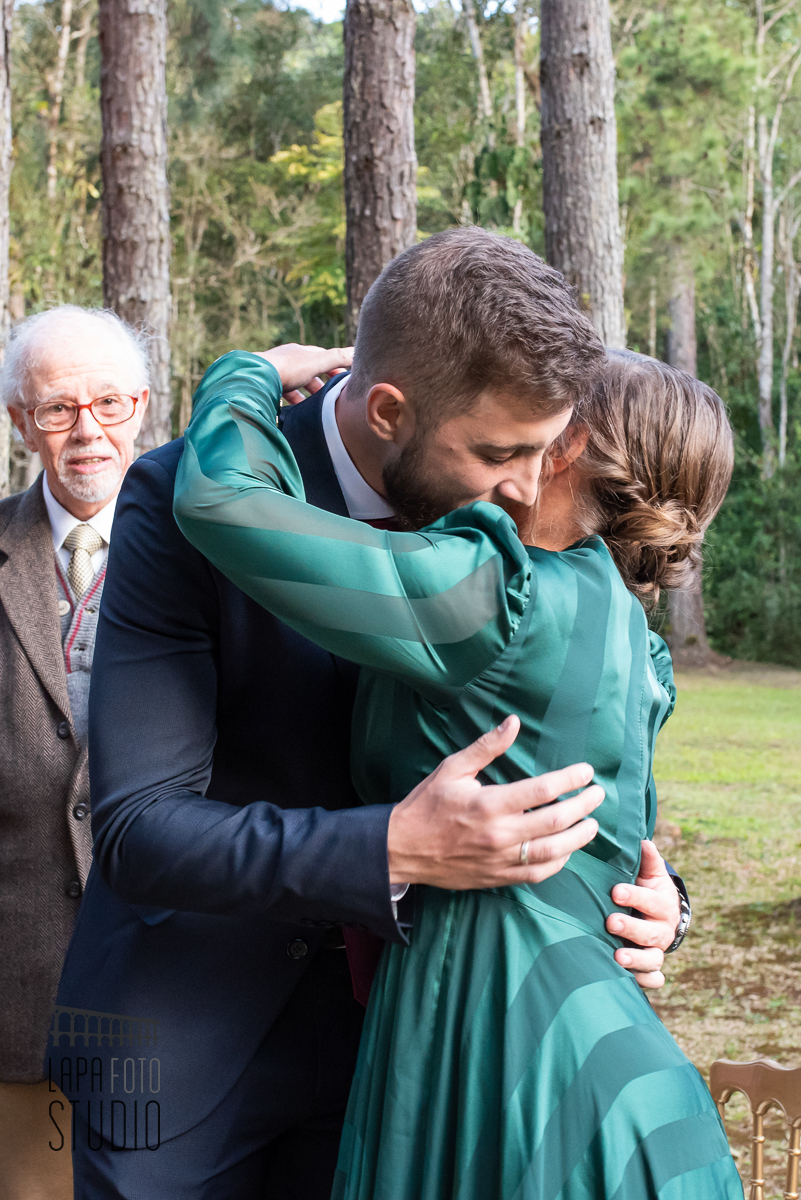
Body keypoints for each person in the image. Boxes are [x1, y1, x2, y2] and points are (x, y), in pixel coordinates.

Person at [55, 231, 681, 1199]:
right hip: (177, 1045)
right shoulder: (177, 495)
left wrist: (659, 899)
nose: (527, 487)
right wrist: (392, 848)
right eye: (500, 453)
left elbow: (583, 743)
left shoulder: (515, 524)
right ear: (389, 411)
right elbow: (139, 829)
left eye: (545, 449)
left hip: (417, 1066)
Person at [0, 306, 150, 1200]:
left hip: (169, 993)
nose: (87, 430)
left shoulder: (209, 553)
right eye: (58, 409)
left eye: (107, 403)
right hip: (15, 997)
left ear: (141, 406)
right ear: (22, 421)